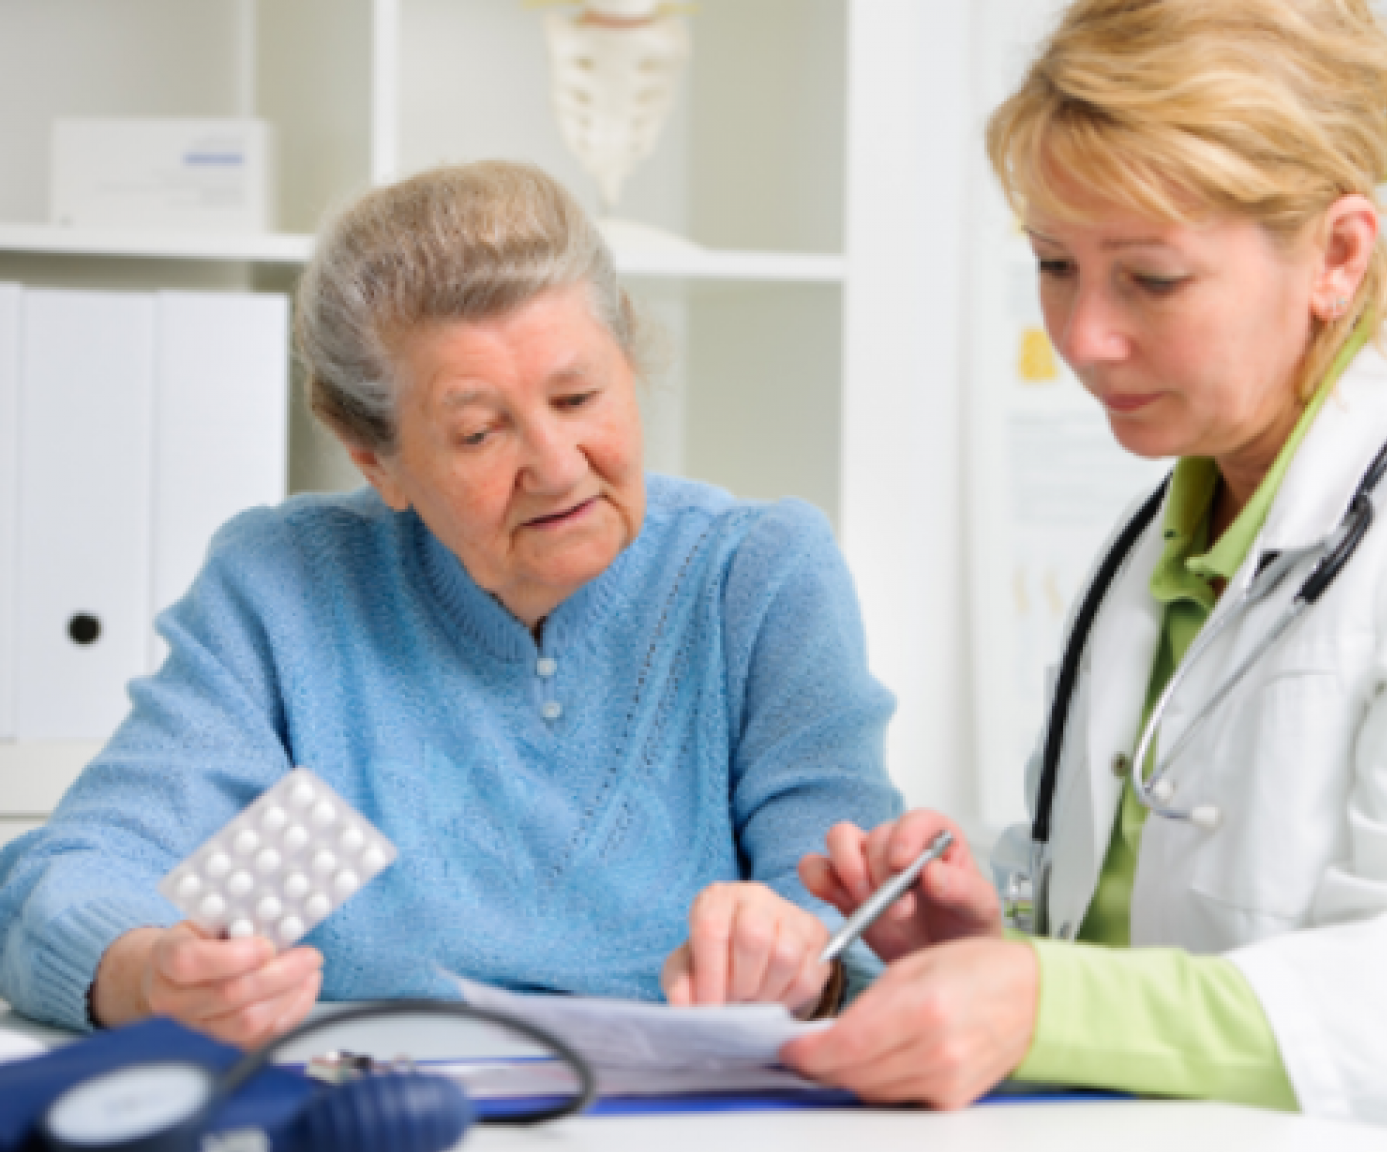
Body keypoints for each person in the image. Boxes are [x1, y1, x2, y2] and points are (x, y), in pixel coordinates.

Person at [662, 2, 1387, 1152]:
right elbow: (1151, 956)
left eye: (1153, 278)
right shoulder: (1163, 538)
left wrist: (1043, 998)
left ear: (1336, 255)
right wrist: (989, 945)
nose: (1087, 336)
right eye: (1055, 265)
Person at [0, 161, 898, 1045]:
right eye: (478, 430)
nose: (555, 464)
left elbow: (857, 913)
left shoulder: (758, 575)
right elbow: (66, 877)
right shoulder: (288, 587)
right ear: (376, 460)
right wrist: (146, 972)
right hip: (363, 1121)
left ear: (629, 360)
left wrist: (802, 959)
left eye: (579, 395)